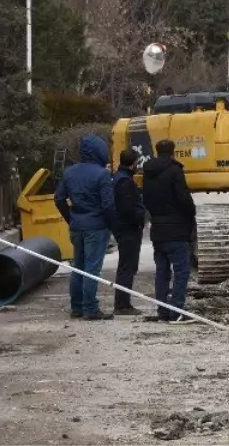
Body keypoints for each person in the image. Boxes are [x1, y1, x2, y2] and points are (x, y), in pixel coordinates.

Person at [54, 133, 117, 321]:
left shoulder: (69, 172)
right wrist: (111, 225)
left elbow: (58, 198)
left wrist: (70, 218)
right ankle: (91, 308)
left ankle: (77, 307)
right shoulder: (102, 174)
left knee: (78, 267)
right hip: (96, 226)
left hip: (76, 225)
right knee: (92, 269)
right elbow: (108, 205)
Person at [141, 138, 195, 323]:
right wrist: (191, 213)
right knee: (181, 271)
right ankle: (177, 311)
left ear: (156, 151)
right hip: (176, 229)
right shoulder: (174, 170)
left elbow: (146, 199)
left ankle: (162, 311)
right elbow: (183, 198)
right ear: (173, 151)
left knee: (162, 272)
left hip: (158, 229)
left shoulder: (148, 172)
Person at [110, 148, 146, 316]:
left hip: (125, 227)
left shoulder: (120, 178)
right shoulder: (124, 181)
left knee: (127, 265)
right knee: (127, 266)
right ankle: (122, 304)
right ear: (134, 163)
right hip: (128, 229)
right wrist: (139, 219)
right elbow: (126, 208)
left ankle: (123, 302)